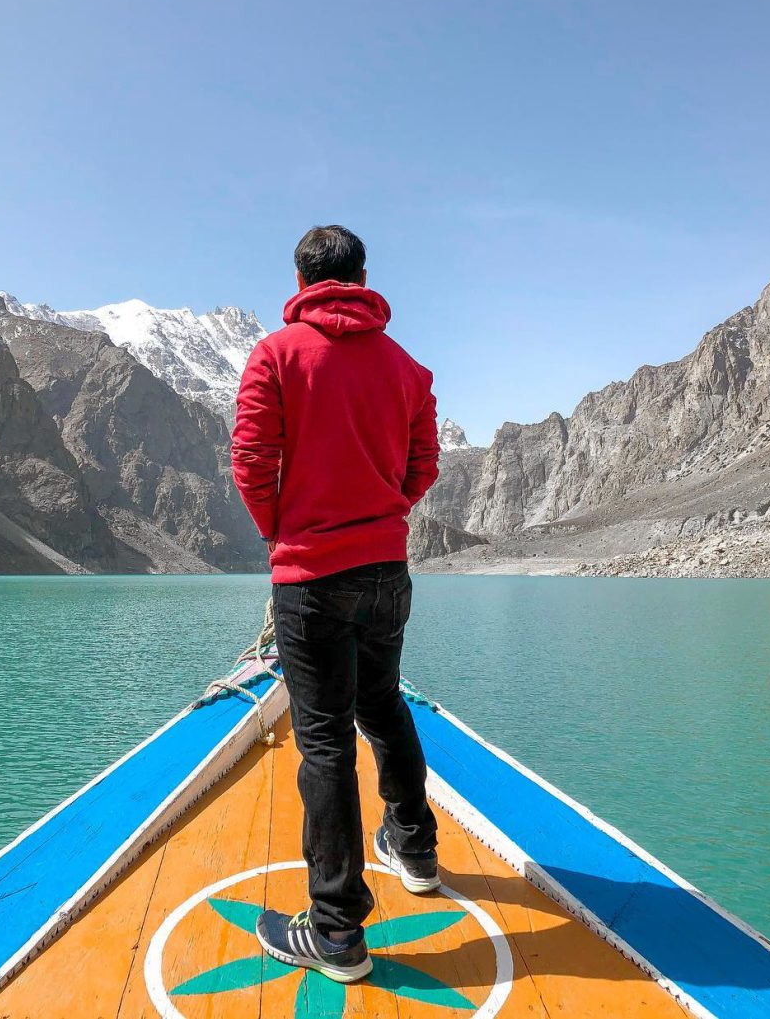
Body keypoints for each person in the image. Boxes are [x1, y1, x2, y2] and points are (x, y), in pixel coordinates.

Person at [230, 224, 441, 983]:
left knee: (323, 742)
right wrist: (386, 514)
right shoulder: (409, 370)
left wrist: (282, 531)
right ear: (362, 276)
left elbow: (251, 458)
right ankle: (415, 848)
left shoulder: (275, 356)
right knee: (382, 704)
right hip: (388, 570)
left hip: (310, 576)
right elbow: (425, 464)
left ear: (300, 278)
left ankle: (337, 931)